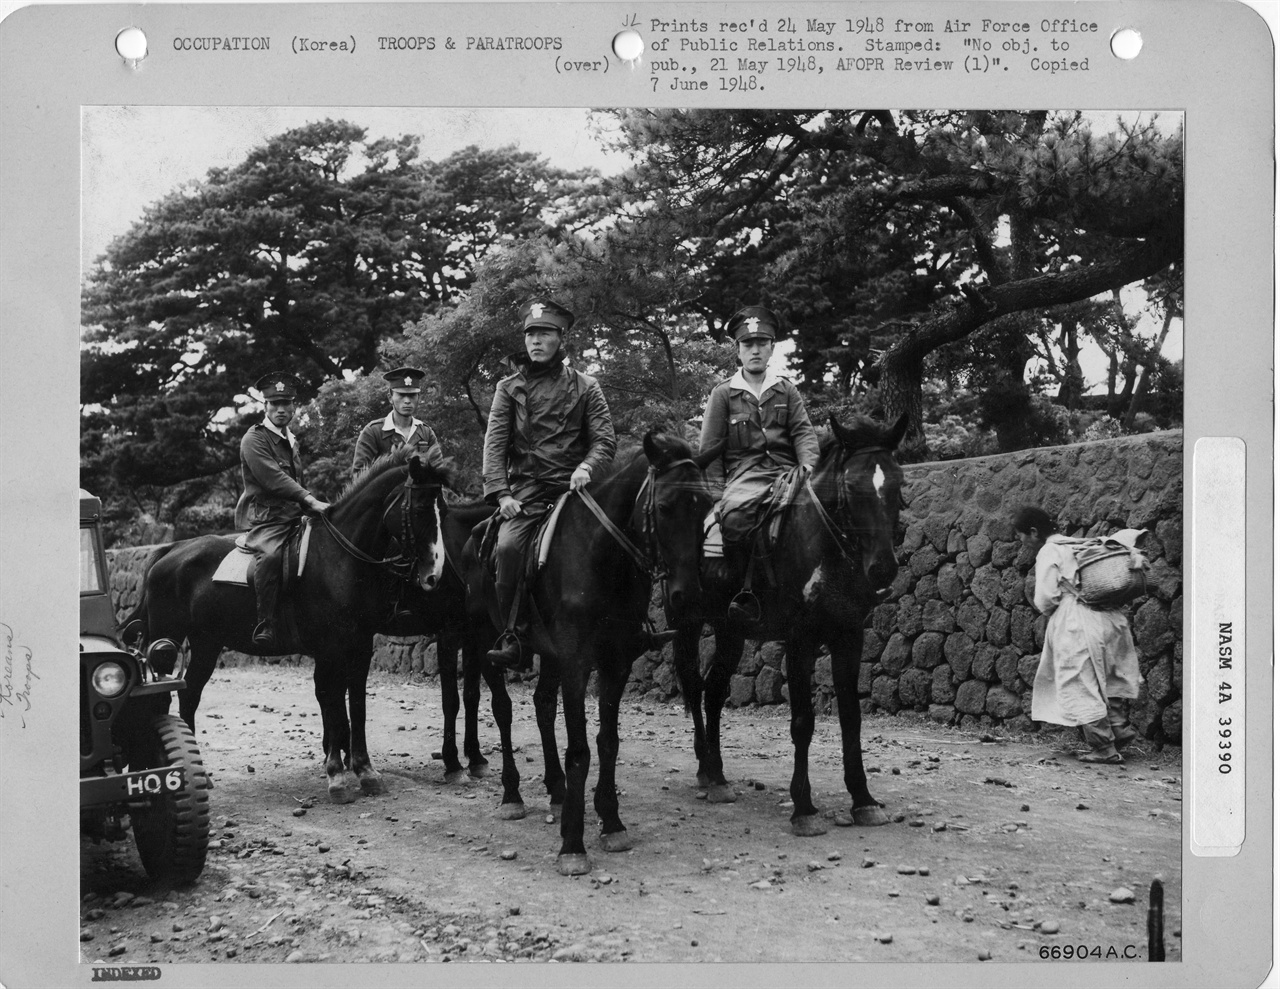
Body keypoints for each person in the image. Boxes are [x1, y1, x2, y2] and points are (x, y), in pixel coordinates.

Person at [481, 299, 617, 668]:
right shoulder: (508, 388)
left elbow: (605, 441)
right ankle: (515, 635)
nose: (535, 341)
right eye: (530, 334)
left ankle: (630, 626)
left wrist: (587, 467)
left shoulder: (588, 386)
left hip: (575, 492)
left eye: (544, 334)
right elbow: (494, 446)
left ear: (561, 338)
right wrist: (502, 494)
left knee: (622, 539)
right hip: (526, 493)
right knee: (508, 549)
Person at [698, 305, 820, 617]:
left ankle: (814, 589)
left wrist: (808, 465)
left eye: (761, 344)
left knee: (819, 517)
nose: (755, 351)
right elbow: (709, 452)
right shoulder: (723, 394)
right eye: (748, 345)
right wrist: (716, 498)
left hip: (787, 473)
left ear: (771, 349)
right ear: (737, 351)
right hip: (744, 476)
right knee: (736, 522)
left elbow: (804, 433)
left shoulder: (786, 390)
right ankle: (744, 591)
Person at [1013, 505, 1143, 764]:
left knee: (1079, 681)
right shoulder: (1078, 544)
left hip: (1079, 620)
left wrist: (1053, 611)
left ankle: (1104, 748)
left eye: (1021, 535)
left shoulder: (1050, 550)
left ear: (1033, 532)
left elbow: (1046, 598)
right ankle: (1119, 729)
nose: (1020, 541)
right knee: (1109, 675)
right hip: (1112, 618)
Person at [235, 372, 330, 652]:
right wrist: (310, 500)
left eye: (286, 403)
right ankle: (265, 623)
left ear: (294, 406)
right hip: (269, 518)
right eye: (274, 403)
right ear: (264, 405)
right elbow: (273, 478)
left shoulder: (291, 439)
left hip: (294, 515)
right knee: (273, 555)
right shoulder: (254, 439)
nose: (281, 409)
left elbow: (295, 482)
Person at [351, 367, 444, 477]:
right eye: (401, 395)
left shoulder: (426, 433)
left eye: (412, 395)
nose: (407, 401)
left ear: (418, 397)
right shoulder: (373, 432)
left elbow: (440, 477)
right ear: (390, 398)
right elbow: (359, 479)